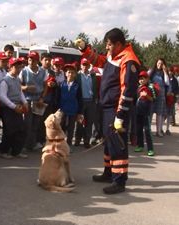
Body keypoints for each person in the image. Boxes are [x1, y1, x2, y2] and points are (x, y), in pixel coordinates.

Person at [75, 27, 140, 194]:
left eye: (109, 45)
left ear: (118, 44)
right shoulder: (114, 56)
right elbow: (98, 60)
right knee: (108, 142)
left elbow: (128, 91)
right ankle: (108, 172)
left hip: (116, 109)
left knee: (117, 144)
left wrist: (120, 115)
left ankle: (119, 181)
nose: (107, 48)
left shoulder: (128, 60)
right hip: (106, 107)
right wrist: (84, 50)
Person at [0, 57, 28, 159]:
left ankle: (16, 151)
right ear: (10, 67)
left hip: (18, 107)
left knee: (20, 129)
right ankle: (4, 151)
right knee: (9, 130)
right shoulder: (5, 81)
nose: (19, 69)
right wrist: (13, 106)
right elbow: (2, 96)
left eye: (20, 67)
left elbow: (20, 92)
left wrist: (25, 102)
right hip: (8, 108)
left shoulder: (17, 79)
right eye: (16, 67)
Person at [19, 51, 47, 151]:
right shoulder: (23, 71)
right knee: (27, 124)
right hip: (27, 100)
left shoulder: (43, 71)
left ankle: (33, 143)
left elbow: (45, 86)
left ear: (37, 61)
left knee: (36, 124)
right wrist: (26, 87)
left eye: (33, 60)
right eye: (30, 59)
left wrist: (42, 98)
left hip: (38, 101)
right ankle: (24, 145)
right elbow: (18, 86)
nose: (31, 62)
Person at [57, 64, 83, 146]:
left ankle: (68, 145)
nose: (70, 74)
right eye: (69, 72)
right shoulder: (61, 84)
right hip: (62, 109)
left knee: (71, 128)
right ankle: (60, 144)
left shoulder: (77, 85)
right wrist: (58, 108)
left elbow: (79, 99)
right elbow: (57, 97)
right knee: (61, 127)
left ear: (75, 74)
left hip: (73, 110)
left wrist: (79, 112)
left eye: (72, 72)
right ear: (65, 73)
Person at [74, 58, 98, 148]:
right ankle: (77, 139)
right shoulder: (77, 76)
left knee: (89, 122)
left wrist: (96, 99)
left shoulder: (93, 76)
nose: (85, 66)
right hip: (81, 101)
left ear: (89, 66)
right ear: (80, 65)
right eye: (83, 64)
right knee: (79, 122)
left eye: (86, 65)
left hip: (91, 102)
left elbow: (95, 88)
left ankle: (86, 141)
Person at [134, 71, 157, 156]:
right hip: (138, 111)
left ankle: (150, 149)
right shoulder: (138, 87)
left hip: (146, 112)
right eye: (140, 79)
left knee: (147, 131)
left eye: (143, 79)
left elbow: (153, 99)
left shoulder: (149, 88)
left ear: (147, 79)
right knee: (139, 129)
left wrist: (146, 95)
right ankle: (140, 145)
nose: (141, 80)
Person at [149, 58, 169, 137]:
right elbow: (147, 80)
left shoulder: (164, 73)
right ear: (156, 63)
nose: (159, 65)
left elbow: (167, 82)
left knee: (159, 114)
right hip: (152, 94)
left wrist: (164, 71)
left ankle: (158, 131)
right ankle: (148, 130)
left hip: (161, 96)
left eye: (161, 64)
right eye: (158, 63)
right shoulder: (152, 72)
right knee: (150, 113)